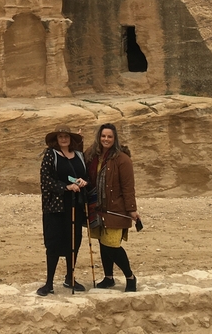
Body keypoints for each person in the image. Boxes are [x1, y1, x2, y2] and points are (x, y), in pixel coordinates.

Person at [36, 125, 89, 296]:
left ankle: (70, 277)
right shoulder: (51, 155)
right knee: (53, 243)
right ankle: (49, 283)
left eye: (66, 136)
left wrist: (83, 182)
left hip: (75, 206)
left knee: (73, 242)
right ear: (56, 139)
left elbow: (85, 175)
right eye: (60, 137)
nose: (64, 139)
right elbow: (45, 180)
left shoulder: (79, 155)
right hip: (56, 208)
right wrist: (66, 187)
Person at [86, 122, 139, 292]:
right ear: (99, 137)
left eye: (109, 136)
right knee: (102, 242)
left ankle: (130, 277)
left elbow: (128, 186)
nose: (106, 139)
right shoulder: (93, 154)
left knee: (111, 245)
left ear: (114, 138)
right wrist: (77, 141)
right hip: (97, 206)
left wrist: (132, 209)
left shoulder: (122, 159)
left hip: (116, 209)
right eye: (103, 136)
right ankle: (108, 277)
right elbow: (79, 159)